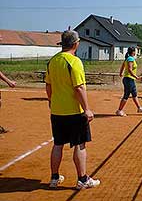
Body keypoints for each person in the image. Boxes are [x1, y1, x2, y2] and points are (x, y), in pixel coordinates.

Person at [45, 30, 100, 189]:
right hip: (74, 112)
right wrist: (87, 109)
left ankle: (54, 178)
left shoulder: (53, 61)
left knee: (58, 144)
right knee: (80, 144)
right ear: (76, 44)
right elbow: (79, 88)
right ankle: (82, 179)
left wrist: (51, 101)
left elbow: (48, 86)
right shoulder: (74, 61)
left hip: (57, 111)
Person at [116, 47, 142, 116]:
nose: (135, 53)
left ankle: (139, 108)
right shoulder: (130, 58)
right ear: (133, 52)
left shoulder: (128, 58)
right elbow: (130, 70)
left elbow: (123, 66)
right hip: (129, 79)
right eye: (135, 51)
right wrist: (137, 77)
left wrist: (121, 73)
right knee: (126, 95)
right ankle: (119, 110)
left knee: (134, 94)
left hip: (129, 79)